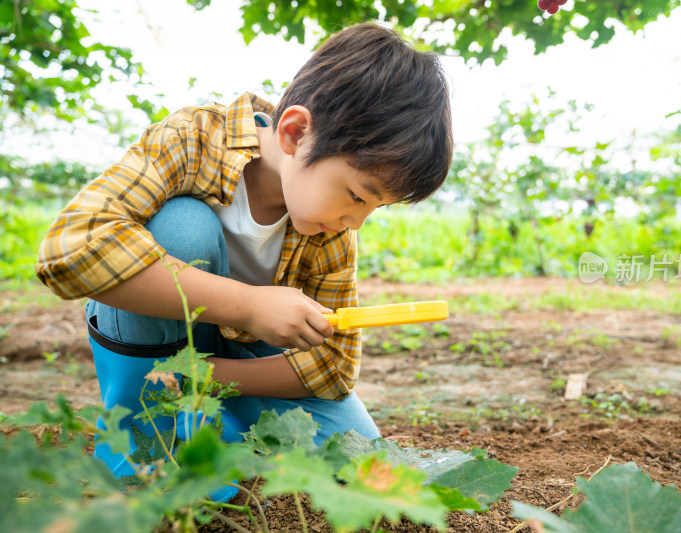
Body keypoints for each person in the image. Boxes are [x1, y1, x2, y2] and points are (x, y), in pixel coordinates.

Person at [35, 22, 452, 500]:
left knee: (359, 460)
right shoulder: (193, 140)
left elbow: (334, 366)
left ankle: (212, 422)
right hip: (150, 345)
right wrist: (249, 307)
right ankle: (141, 438)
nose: (355, 222)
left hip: (228, 361)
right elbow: (68, 250)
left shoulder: (330, 230)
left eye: (373, 209)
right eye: (357, 196)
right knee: (182, 227)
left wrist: (207, 377)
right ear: (296, 132)